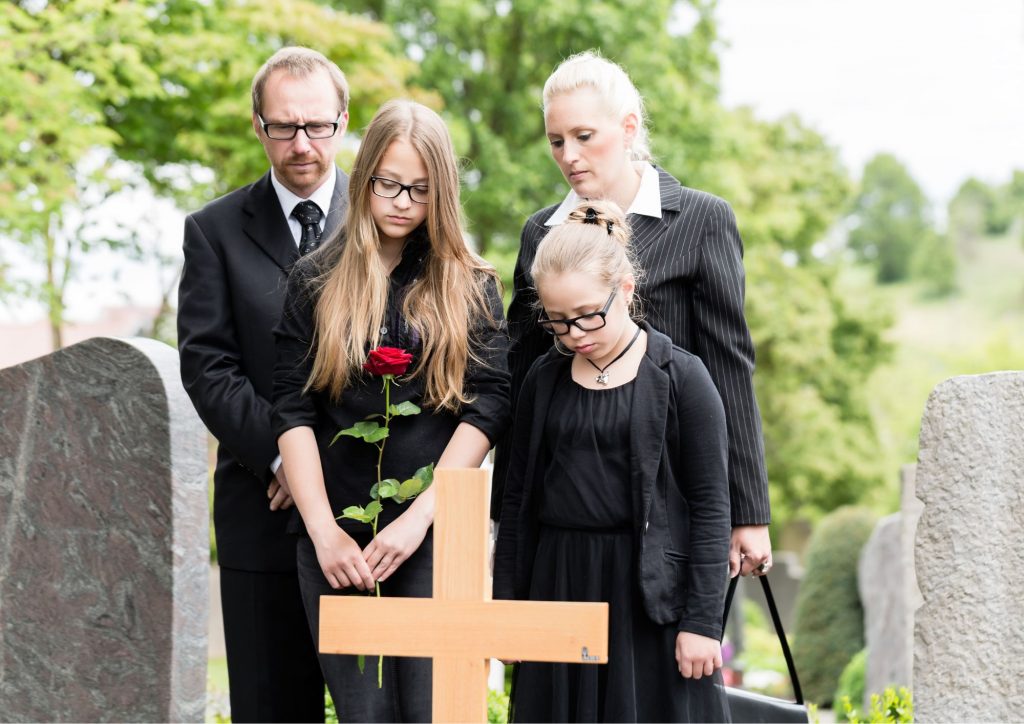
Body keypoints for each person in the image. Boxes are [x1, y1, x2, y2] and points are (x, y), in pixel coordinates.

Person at [271, 99, 511, 721]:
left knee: (436, 711)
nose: (403, 201)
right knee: (365, 716)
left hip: (433, 536)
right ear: (365, 177)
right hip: (338, 542)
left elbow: (487, 408)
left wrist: (420, 520)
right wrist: (324, 532)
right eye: (389, 184)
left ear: (444, 192)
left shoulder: (469, 282)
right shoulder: (314, 279)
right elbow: (292, 411)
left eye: (421, 189)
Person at [497, 50, 773, 578]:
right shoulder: (540, 235)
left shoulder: (702, 219)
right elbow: (522, 381)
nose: (569, 155)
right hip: (569, 502)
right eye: (557, 141)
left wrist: (748, 512)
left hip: (674, 493)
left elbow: (729, 369)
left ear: (628, 128)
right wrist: (500, 521)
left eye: (584, 136)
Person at [494, 200, 731, 722]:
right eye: (558, 323)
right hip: (558, 582)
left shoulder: (683, 379)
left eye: (588, 315)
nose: (576, 334)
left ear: (625, 289)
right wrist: (507, 603)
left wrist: (702, 622)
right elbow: (518, 499)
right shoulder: (543, 378)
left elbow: (713, 508)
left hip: (644, 594)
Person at [177, 46, 350, 722]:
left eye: (317, 126)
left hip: (367, 507)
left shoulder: (386, 224)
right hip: (263, 513)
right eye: (284, 127)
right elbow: (207, 365)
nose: (302, 144)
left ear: (342, 121)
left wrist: (324, 465)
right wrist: (284, 455)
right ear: (259, 127)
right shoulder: (212, 232)